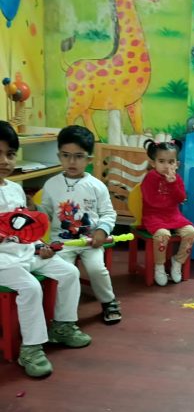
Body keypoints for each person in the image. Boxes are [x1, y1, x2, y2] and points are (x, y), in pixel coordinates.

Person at [0, 120, 91, 378]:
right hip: (2, 262)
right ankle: (31, 348)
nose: (5, 161)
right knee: (31, 287)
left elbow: (25, 230)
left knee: (69, 272)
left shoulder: (16, 189)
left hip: (24, 252)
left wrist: (41, 246)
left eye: (10, 154)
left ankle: (62, 326)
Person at [37, 125, 122, 324]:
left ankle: (108, 301)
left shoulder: (96, 186)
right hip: (62, 243)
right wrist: (35, 210)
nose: (72, 161)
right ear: (59, 156)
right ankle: (64, 317)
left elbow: (108, 213)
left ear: (89, 159)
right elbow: (45, 213)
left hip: (90, 241)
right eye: (66, 155)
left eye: (78, 156)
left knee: (96, 269)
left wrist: (101, 231)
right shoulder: (51, 184)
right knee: (65, 272)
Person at [141, 137, 194, 286]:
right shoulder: (150, 177)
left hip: (173, 216)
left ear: (177, 164)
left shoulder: (176, 178)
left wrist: (172, 184)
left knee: (191, 232)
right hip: (153, 216)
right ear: (153, 163)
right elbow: (151, 201)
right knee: (162, 235)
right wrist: (169, 188)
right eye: (161, 161)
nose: (166, 166)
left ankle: (177, 261)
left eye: (171, 162)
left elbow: (181, 198)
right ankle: (159, 266)